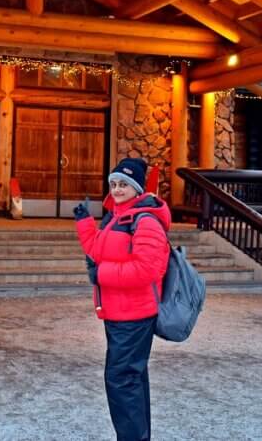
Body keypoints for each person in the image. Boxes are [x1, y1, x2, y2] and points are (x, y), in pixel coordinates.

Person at [73, 157, 170, 441]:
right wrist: (84, 224)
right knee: (130, 379)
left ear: (137, 188)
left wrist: (101, 273)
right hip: (119, 313)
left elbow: (147, 269)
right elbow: (97, 251)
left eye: (124, 184)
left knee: (121, 381)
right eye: (113, 184)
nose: (117, 189)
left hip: (135, 315)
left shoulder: (145, 221)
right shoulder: (117, 217)